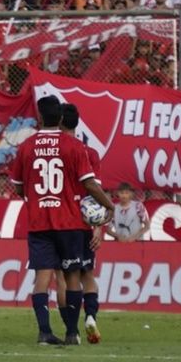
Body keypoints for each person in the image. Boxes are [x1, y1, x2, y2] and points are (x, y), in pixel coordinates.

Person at [10, 95, 114, 345]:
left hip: (39, 221)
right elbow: (89, 183)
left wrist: (35, 196)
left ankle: (44, 332)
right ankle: (71, 332)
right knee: (72, 277)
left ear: (39, 117)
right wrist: (108, 205)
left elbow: (18, 188)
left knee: (43, 277)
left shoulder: (26, 146)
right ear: (60, 118)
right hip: (70, 223)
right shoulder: (74, 147)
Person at [55, 103, 105, 344]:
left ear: (60, 121)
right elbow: (94, 190)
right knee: (88, 274)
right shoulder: (90, 153)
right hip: (85, 222)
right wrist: (99, 225)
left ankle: (70, 328)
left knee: (63, 277)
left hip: (60, 220)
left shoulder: (54, 150)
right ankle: (91, 316)